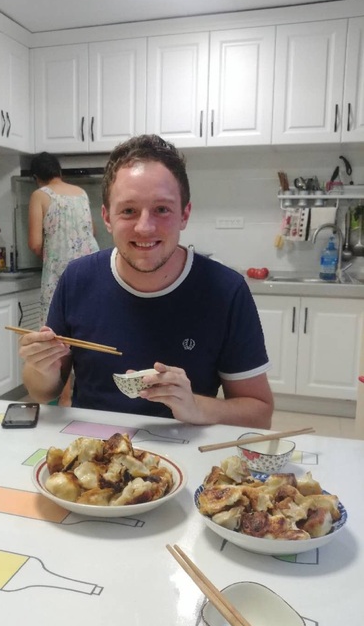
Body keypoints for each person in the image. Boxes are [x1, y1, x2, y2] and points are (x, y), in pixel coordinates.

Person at [21, 135, 273, 429]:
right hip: (93, 447)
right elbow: (43, 392)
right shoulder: (77, 279)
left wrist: (195, 407)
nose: (144, 227)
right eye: (128, 211)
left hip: (185, 448)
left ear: (184, 214)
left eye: (162, 209)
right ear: (107, 218)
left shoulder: (226, 291)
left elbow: (259, 414)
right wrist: (42, 368)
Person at [27, 151, 99, 405]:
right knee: (88, 331)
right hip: (92, 271)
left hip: (59, 273)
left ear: (36, 177)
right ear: (59, 171)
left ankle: (65, 397)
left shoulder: (40, 195)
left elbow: (35, 242)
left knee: (55, 338)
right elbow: (92, 230)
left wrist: (52, 253)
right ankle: (87, 392)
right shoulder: (81, 193)